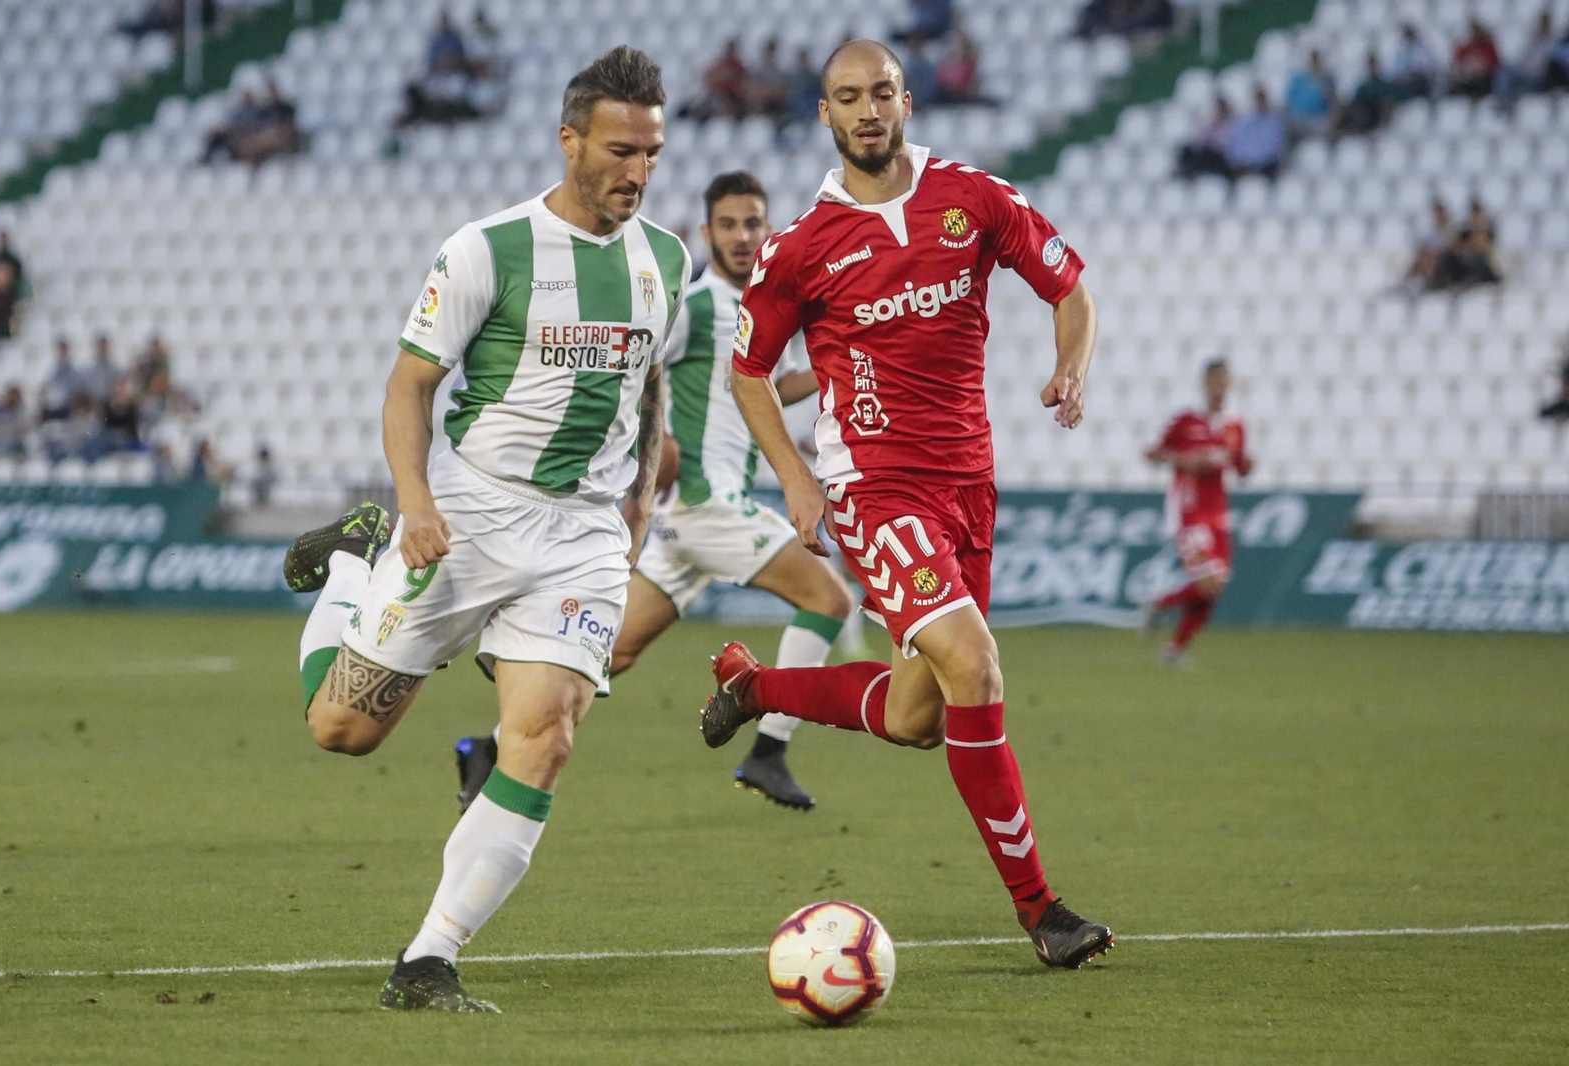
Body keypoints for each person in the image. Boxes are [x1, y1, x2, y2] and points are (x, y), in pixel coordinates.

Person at [278, 46, 687, 1012]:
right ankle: (349, 564)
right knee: (342, 730)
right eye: (621, 150)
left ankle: (430, 959)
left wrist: (639, 504)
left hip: (581, 535)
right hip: (469, 514)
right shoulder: (487, 249)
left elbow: (653, 379)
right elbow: (409, 385)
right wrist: (414, 504)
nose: (637, 172)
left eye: (653, 154)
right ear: (570, 140)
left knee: (542, 740)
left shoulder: (664, 259)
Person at [701, 39, 1110, 970]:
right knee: (977, 666)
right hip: (877, 489)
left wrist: (1070, 370)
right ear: (825, 115)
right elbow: (750, 373)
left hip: (969, 486)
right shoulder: (799, 248)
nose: (867, 110)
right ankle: (1041, 910)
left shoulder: (975, 198)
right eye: (848, 97)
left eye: (881, 91)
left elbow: (1071, 287)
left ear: (908, 100)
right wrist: (800, 480)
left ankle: (755, 688)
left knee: (921, 717)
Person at [452, 172, 849, 813]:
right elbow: (639, 376)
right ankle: (769, 753)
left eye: (753, 224)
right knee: (829, 598)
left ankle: (488, 748)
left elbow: (764, 386)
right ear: (706, 233)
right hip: (704, 499)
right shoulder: (694, 305)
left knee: (612, 651)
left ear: (769, 230)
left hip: (689, 521)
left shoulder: (762, 309)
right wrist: (649, 450)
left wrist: (824, 374)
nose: (742, 237)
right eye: (728, 225)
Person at [1141, 359, 1252, 666]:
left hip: (1218, 512)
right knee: (1209, 583)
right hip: (1189, 510)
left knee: (1211, 592)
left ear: (1230, 384)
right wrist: (1185, 460)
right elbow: (1153, 453)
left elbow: (1241, 467)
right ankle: (1160, 605)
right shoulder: (1187, 420)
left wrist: (1247, 464)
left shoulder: (1235, 424)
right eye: (1214, 380)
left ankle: (1173, 649)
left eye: (1224, 381)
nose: (1219, 387)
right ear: (1205, 383)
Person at [1224, 87, 1287, 179]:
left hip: (1265, 165)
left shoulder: (1274, 122)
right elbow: (1236, 147)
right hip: (1244, 165)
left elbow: (1274, 149)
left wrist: (1254, 162)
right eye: (1257, 100)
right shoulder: (1245, 121)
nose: (1259, 103)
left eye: (1261, 100)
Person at [1496, 12, 1556, 104]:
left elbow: (1544, 65)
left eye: (1544, 24)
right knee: (1504, 71)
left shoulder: (1551, 43)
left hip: (1536, 76)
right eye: (1540, 24)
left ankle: (1508, 103)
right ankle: (1502, 100)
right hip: (1522, 72)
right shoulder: (1532, 40)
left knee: (1517, 84)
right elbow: (1520, 58)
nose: (1541, 26)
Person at [1334, 53, 1400, 137]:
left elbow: (1390, 99)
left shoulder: (1385, 85)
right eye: (1370, 65)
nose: (1372, 68)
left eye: (1374, 65)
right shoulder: (1363, 86)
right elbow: (1355, 100)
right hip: (1363, 114)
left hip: (1377, 115)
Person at [1176, 95, 1235, 179]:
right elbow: (1204, 137)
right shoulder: (1213, 123)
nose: (1220, 110)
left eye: (1222, 107)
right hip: (1209, 151)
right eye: (1218, 108)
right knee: (1188, 150)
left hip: (1221, 155)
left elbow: (1227, 142)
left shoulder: (1232, 124)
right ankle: (1188, 172)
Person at [1285, 49, 1337, 137]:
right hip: (1298, 119)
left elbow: (1332, 102)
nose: (1314, 62)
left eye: (1317, 59)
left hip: (1318, 120)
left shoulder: (1327, 79)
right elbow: (1289, 100)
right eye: (1313, 59)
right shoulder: (1298, 79)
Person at [1450, 19, 1501, 98]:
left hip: (1484, 80)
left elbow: (1495, 65)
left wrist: (1482, 70)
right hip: (1467, 79)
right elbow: (1457, 65)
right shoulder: (1464, 49)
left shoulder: (1488, 48)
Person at [39, 338, 83, 422]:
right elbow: (45, 389)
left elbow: (78, 390)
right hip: (53, 408)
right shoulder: (50, 370)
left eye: (65, 349)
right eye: (61, 349)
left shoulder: (75, 371)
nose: (63, 352)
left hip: (69, 408)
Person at [1392, 23, 1440, 97]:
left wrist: (1422, 71)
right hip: (1407, 78)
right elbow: (1398, 68)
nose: (1409, 35)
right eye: (1407, 33)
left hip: (1422, 77)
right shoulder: (1401, 48)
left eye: (1410, 32)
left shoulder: (1423, 47)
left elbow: (1431, 64)